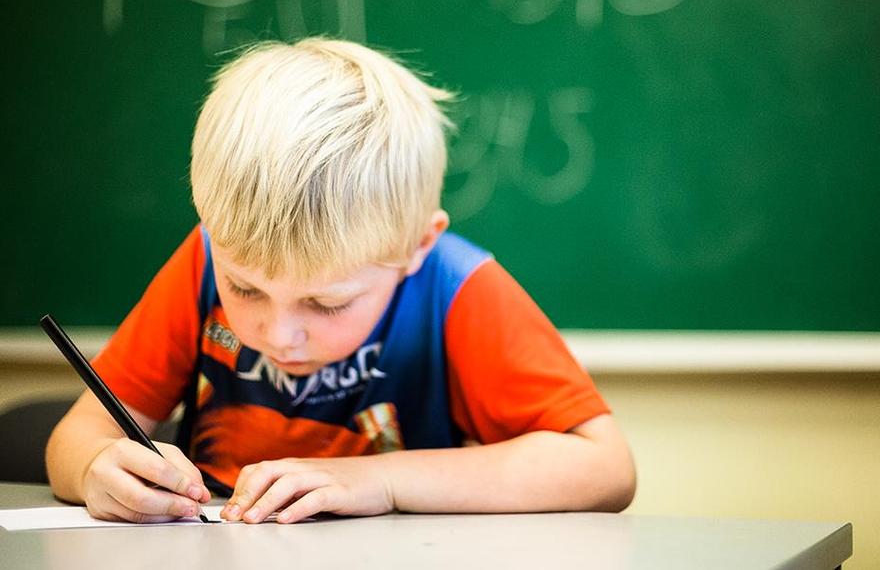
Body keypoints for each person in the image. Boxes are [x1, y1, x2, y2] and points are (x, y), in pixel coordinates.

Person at [45, 38, 636, 524]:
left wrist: (378, 480)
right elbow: (75, 438)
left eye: (327, 303)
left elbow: (604, 468)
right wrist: (97, 466)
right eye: (246, 290)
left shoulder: (456, 287)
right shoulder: (205, 257)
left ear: (417, 245)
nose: (279, 334)